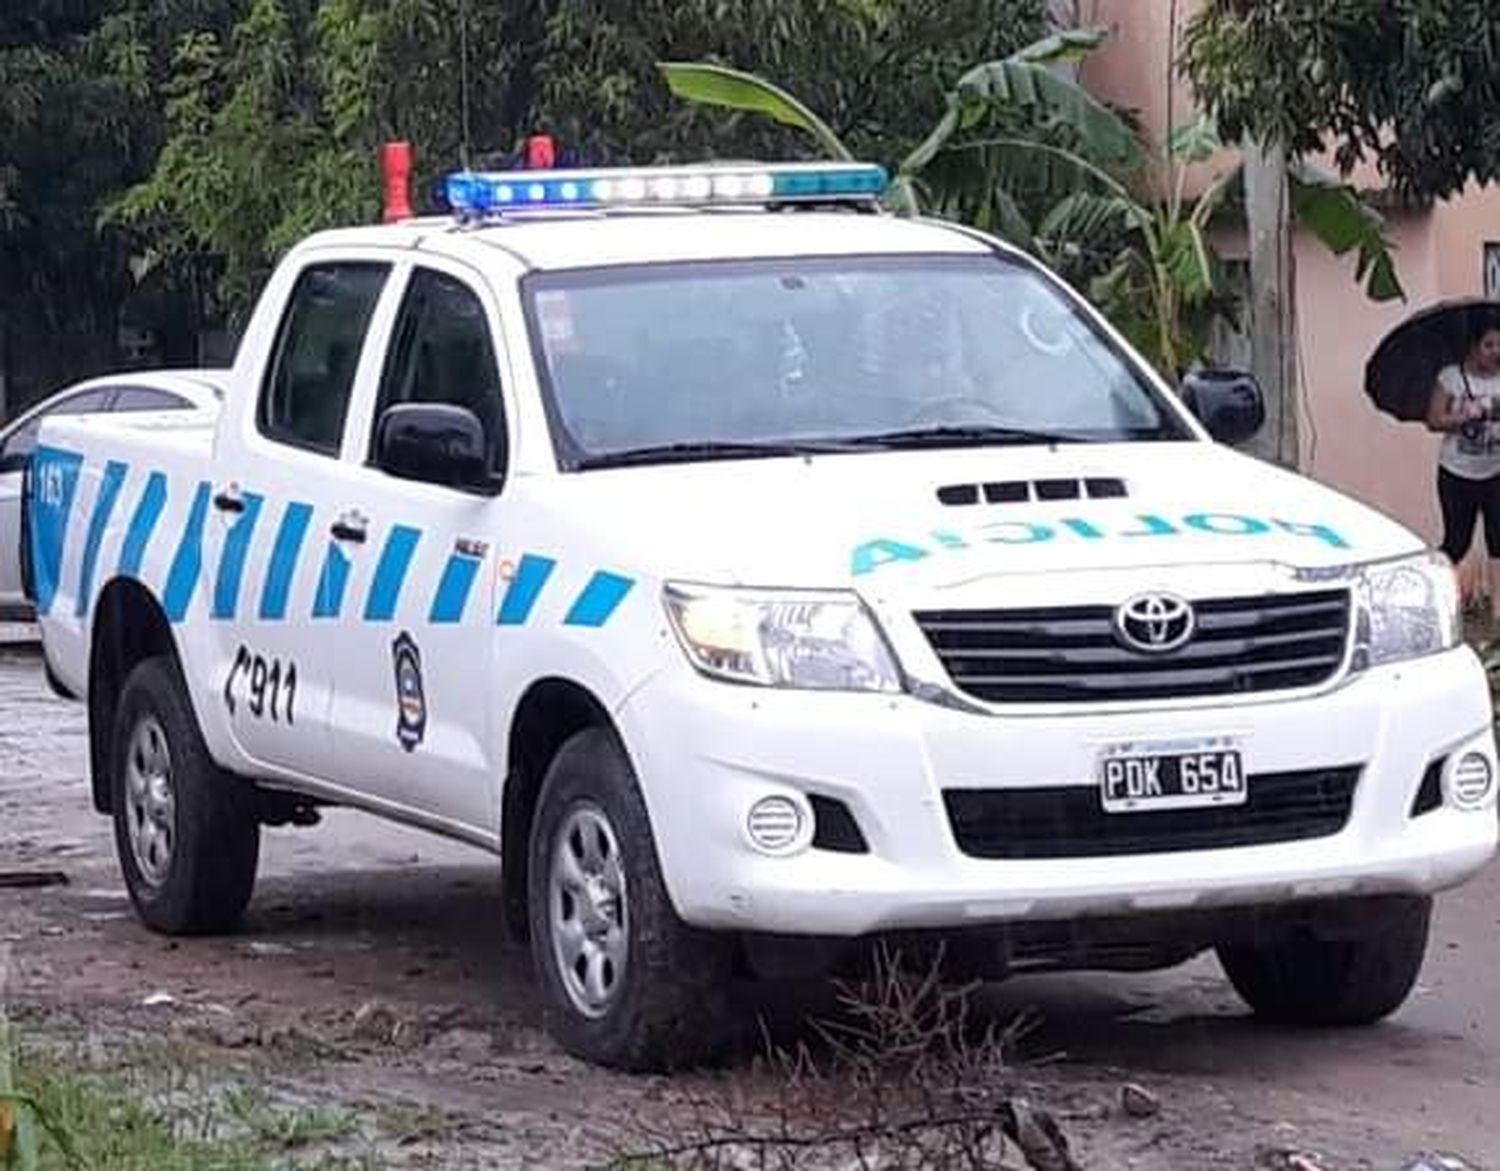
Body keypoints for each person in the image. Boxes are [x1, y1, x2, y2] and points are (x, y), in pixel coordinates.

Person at [1426, 321, 1500, 606]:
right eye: (1489, 345)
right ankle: (1437, 600)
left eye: (1499, 346)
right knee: (1457, 542)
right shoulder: (1451, 377)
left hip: (1495, 471)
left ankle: (1496, 616)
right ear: (1474, 346)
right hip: (1456, 472)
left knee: (1498, 543)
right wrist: (1464, 416)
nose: (1495, 352)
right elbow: (1433, 420)